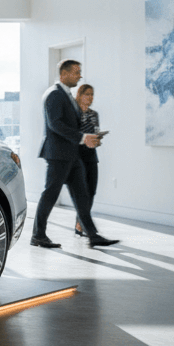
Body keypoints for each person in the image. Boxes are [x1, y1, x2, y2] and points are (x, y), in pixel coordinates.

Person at [31, 60, 118, 249]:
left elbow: (70, 123)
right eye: (76, 72)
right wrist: (82, 138)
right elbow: (55, 124)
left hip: (71, 155)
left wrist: (89, 138)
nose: (80, 76)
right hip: (58, 155)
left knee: (82, 196)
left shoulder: (66, 95)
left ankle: (93, 235)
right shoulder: (54, 94)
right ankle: (38, 235)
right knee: (50, 194)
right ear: (64, 73)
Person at [74, 83, 101, 236]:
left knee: (91, 191)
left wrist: (98, 139)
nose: (90, 98)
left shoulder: (94, 114)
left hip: (91, 156)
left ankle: (80, 221)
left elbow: (95, 132)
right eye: (87, 94)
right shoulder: (73, 113)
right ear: (80, 95)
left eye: (92, 95)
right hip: (77, 157)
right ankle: (81, 223)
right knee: (81, 193)